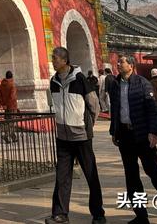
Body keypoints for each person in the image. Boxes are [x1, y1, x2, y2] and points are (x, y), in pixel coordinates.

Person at [110, 56, 157, 223]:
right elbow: (115, 109)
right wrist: (114, 131)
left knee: (154, 172)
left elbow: (151, 109)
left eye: (122, 61)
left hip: (142, 135)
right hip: (125, 136)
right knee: (131, 176)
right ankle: (141, 215)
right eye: (118, 62)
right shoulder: (115, 84)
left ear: (131, 65)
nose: (118, 64)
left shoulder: (142, 83)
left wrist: (153, 132)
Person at [46, 46, 106, 224]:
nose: (53, 61)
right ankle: (60, 213)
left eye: (55, 58)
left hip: (81, 137)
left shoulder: (80, 80)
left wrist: (87, 125)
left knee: (90, 174)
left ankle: (98, 214)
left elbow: (94, 105)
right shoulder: (53, 81)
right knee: (62, 177)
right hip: (63, 137)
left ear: (65, 60)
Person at [0, 70, 18, 143]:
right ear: (12, 76)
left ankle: (10, 135)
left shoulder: (1, 85)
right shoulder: (12, 85)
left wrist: (3, 104)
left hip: (6, 107)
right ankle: (10, 135)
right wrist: (9, 105)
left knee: (7, 121)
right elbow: (12, 97)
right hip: (12, 106)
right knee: (12, 122)